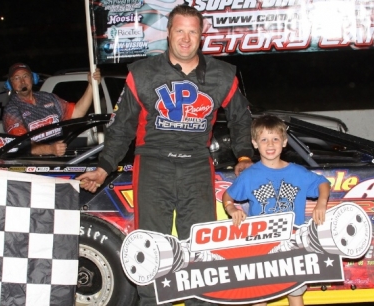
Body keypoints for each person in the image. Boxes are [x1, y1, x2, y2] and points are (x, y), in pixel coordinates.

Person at [77, 5, 254, 306]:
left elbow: (241, 118)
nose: (186, 38)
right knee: (152, 250)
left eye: (193, 31)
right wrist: (104, 167)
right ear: (169, 32)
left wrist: (245, 156)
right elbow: (122, 127)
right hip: (152, 165)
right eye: (180, 31)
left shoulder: (223, 74)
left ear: (202, 35)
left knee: (200, 250)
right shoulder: (142, 73)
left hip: (197, 166)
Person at [222, 114, 331, 306]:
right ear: (255, 143)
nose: (270, 144)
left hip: (292, 244)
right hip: (261, 245)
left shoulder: (297, 172)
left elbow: (323, 183)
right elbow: (227, 195)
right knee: (259, 296)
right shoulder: (250, 176)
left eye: (275, 139)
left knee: (295, 293)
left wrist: (322, 203)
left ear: (284, 142)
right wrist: (231, 209)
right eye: (264, 139)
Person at [2, 63, 101, 156]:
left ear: (33, 78)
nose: (22, 82)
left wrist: (91, 86)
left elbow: (77, 113)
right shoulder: (12, 111)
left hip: (60, 158)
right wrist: (51, 149)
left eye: (25, 76)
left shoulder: (48, 98)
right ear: (10, 84)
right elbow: (22, 145)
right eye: (16, 78)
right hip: (32, 164)